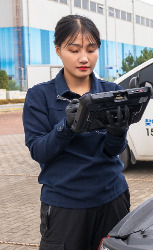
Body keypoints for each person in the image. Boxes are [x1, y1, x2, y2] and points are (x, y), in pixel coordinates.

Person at [22, 15, 130, 250]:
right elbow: (39, 151)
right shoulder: (39, 96)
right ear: (58, 50)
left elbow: (113, 151)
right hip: (65, 205)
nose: (84, 58)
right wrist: (67, 127)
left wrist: (117, 131)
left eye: (91, 49)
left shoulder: (113, 92)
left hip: (113, 200)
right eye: (74, 50)